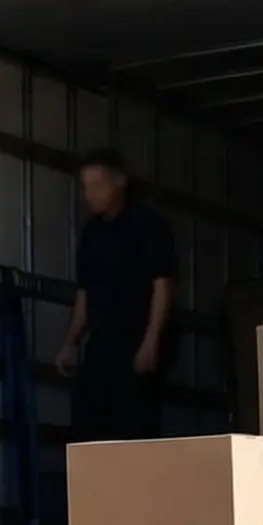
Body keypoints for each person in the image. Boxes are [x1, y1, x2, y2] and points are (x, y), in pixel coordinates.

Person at [54, 148, 179, 441]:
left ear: (119, 182)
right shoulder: (91, 234)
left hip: (137, 341)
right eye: (86, 187)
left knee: (134, 426)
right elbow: (85, 292)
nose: (90, 194)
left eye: (98, 185)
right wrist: (70, 341)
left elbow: (163, 287)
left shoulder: (148, 226)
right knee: (88, 425)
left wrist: (151, 341)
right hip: (102, 343)